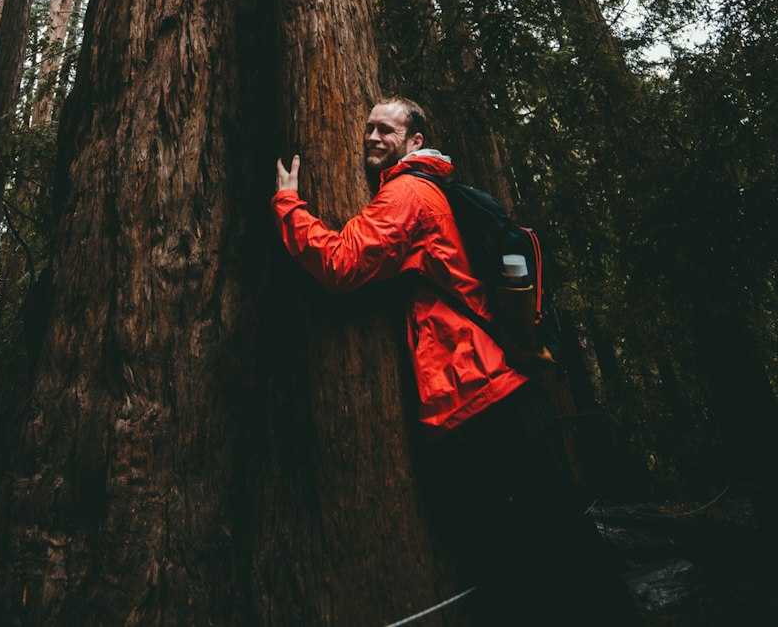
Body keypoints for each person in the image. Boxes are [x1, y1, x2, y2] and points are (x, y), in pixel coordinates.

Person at [272, 97, 641, 626]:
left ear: (415, 141)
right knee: (560, 551)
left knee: (527, 564)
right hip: (502, 394)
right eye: (369, 128)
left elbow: (341, 262)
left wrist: (289, 203)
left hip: (480, 405)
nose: (373, 137)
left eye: (387, 130)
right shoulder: (434, 190)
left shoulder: (407, 193)